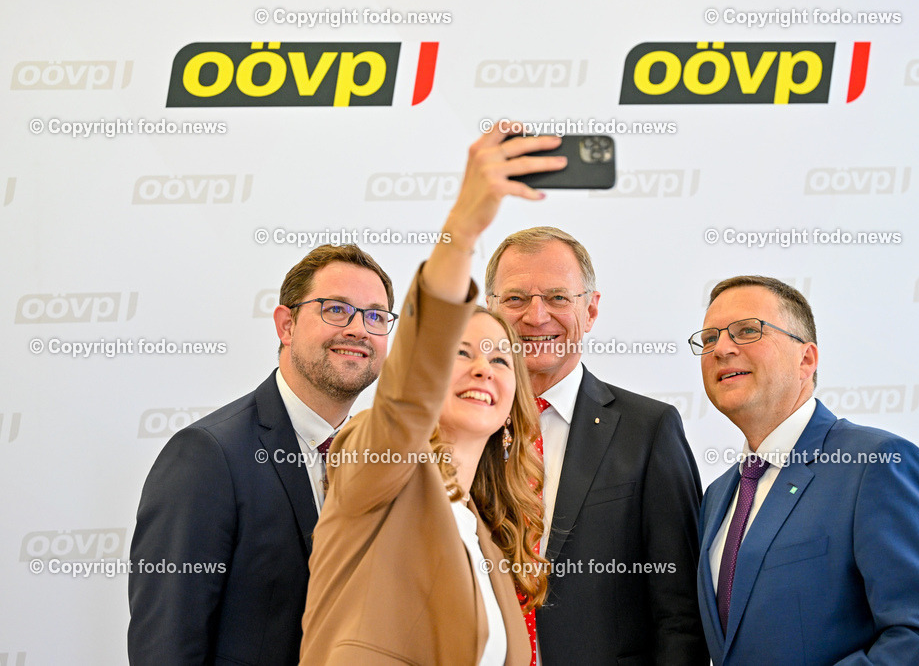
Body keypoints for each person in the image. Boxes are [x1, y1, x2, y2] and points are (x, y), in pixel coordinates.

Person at [299, 126, 567, 665]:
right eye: (459, 353)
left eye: (499, 359)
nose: (482, 370)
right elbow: (403, 399)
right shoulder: (376, 463)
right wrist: (463, 229)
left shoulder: (482, 531)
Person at [128, 243, 394, 665]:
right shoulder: (208, 456)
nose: (359, 329)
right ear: (286, 325)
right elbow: (167, 645)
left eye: (376, 317)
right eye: (336, 310)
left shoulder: (383, 464)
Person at [692, 276, 919, 665]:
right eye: (708, 339)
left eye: (747, 332)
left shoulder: (876, 465)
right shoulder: (719, 496)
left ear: (806, 359)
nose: (721, 349)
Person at [485, 228, 707, 665]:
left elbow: (680, 613)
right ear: (489, 311)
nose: (535, 316)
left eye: (557, 298)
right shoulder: (455, 432)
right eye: (514, 300)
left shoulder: (649, 430)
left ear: (591, 310)